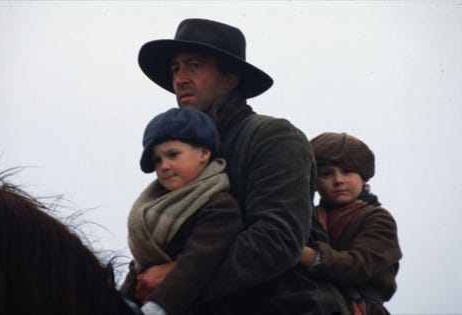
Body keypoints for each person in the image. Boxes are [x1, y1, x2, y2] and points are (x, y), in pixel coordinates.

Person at [131, 18, 349, 314]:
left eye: (194, 66)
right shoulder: (177, 155)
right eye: (175, 68)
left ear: (230, 78)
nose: (179, 78)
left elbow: (277, 238)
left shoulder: (273, 136)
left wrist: (177, 281)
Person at [121, 107, 243, 315]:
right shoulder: (152, 209)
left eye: (172, 154)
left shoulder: (220, 206)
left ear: (204, 153)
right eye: (157, 160)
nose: (164, 166)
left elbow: (197, 264)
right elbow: (141, 267)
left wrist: (156, 308)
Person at [299, 132, 402, 315]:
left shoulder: (378, 219)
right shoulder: (309, 217)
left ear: (364, 177)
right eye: (326, 174)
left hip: (364, 308)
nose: (338, 180)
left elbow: (360, 265)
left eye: (347, 171)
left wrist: (312, 256)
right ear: (314, 182)